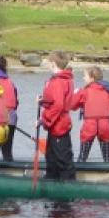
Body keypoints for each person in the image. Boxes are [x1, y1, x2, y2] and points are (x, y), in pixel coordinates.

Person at [38, 51, 76, 180]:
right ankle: (51, 179)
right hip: (56, 124)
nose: (47, 64)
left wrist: (44, 119)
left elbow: (58, 105)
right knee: (51, 157)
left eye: (49, 62)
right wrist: (43, 101)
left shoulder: (59, 81)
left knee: (62, 159)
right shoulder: (63, 80)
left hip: (59, 125)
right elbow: (55, 101)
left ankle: (68, 186)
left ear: (53, 63)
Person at [70, 66, 109, 162]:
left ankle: (79, 171)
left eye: (85, 76)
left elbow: (72, 106)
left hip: (89, 126)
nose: (83, 78)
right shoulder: (108, 92)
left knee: (83, 156)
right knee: (107, 157)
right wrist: (108, 117)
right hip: (105, 126)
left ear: (92, 79)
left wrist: (74, 94)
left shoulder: (84, 92)